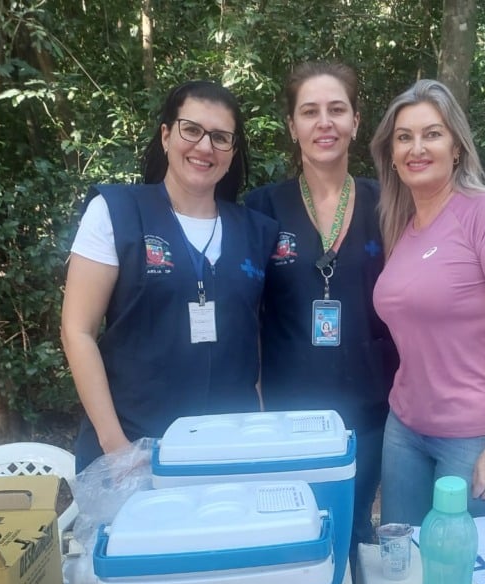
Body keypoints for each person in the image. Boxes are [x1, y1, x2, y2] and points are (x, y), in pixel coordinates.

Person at [62, 81, 277, 472]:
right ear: (166, 136)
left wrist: (259, 429)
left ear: (232, 151)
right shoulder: (116, 212)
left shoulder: (256, 230)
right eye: (191, 130)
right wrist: (116, 447)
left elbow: (255, 341)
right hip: (134, 451)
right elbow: (77, 331)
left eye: (220, 137)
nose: (205, 146)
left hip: (229, 449)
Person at [369, 79, 485, 525]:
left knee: (456, 562)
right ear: (391, 154)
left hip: (473, 439)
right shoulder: (401, 227)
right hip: (404, 430)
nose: (417, 148)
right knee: (403, 558)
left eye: (432, 134)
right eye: (404, 137)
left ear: (456, 148)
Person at [246, 62, 397, 552]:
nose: (324, 122)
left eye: (337, 109)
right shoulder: (261, 209)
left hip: (371, 409)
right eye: (309, 111)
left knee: (354, 529)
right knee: (292, 535)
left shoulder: (389, 204)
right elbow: (243, 313)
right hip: (287, 415)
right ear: (292, 126)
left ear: (356, 121)